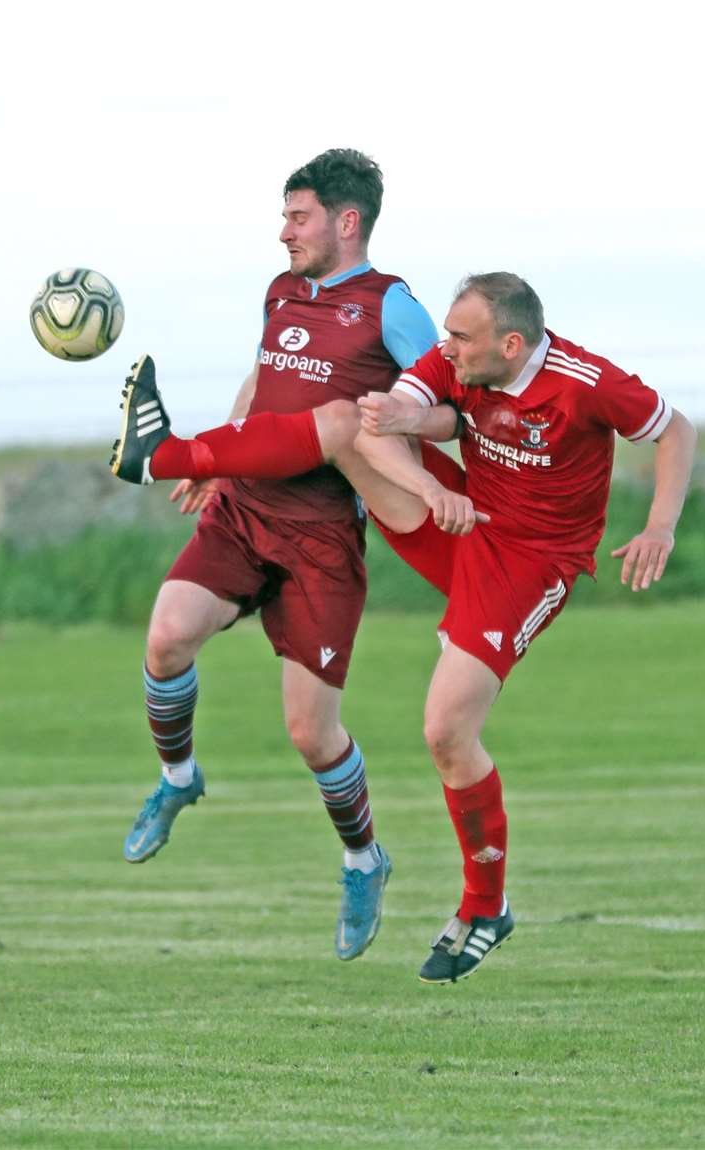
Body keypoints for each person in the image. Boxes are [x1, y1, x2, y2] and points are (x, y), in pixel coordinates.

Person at [109, 148, 449, 962]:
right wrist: (226, 456)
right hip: (245, 509)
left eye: (297, 218)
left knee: (310, 732)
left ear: (347, 221)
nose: (284, 233)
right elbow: (264, 382)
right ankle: (180, 778)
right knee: (166, 636)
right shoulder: (283, 292)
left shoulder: (391, 306)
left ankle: (364, 858)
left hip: (324, 539)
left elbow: (450, 402)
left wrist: (406, 436)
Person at [334, 271, 698, 982]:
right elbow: (375, 428)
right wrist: (429, 482)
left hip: (532, 563)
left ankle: (485, 907)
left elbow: (674, 430)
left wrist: (660, 526)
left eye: (461, 337)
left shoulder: (584, 381)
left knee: (445, 731)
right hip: (462, 516)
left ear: (511, 342)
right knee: (345, 428)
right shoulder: (457, 359)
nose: (447, 348)